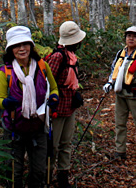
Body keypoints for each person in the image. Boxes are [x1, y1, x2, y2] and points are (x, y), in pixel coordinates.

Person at [0, 25, 59, 188]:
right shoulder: (6, 72)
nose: (22, 48)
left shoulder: (42, 66)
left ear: (31, 46)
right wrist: (6, 103)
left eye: (25, 44)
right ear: (11, 49)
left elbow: (53, 87)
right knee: (14, 172)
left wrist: (54, 97)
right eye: (17, 45)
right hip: (14, 128)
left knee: (39, 171)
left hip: (38, 126)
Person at [45, 20, 87, 188]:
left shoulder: (71, 56)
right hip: (56, 107)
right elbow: (47, 83)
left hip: (70, 106)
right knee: (52, 146)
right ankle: (46, 176)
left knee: (66, 143)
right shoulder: (57, 57)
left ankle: (63, 176)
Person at [103, 25, 136, 161]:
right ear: (125, 38)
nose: (131, 38)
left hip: (135, 94)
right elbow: (114, 70)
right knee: (119, 123)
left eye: (134, 36)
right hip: (120, 94)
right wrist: (109, 83)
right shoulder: (121, 53)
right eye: (129, 36)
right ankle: (120, 151)